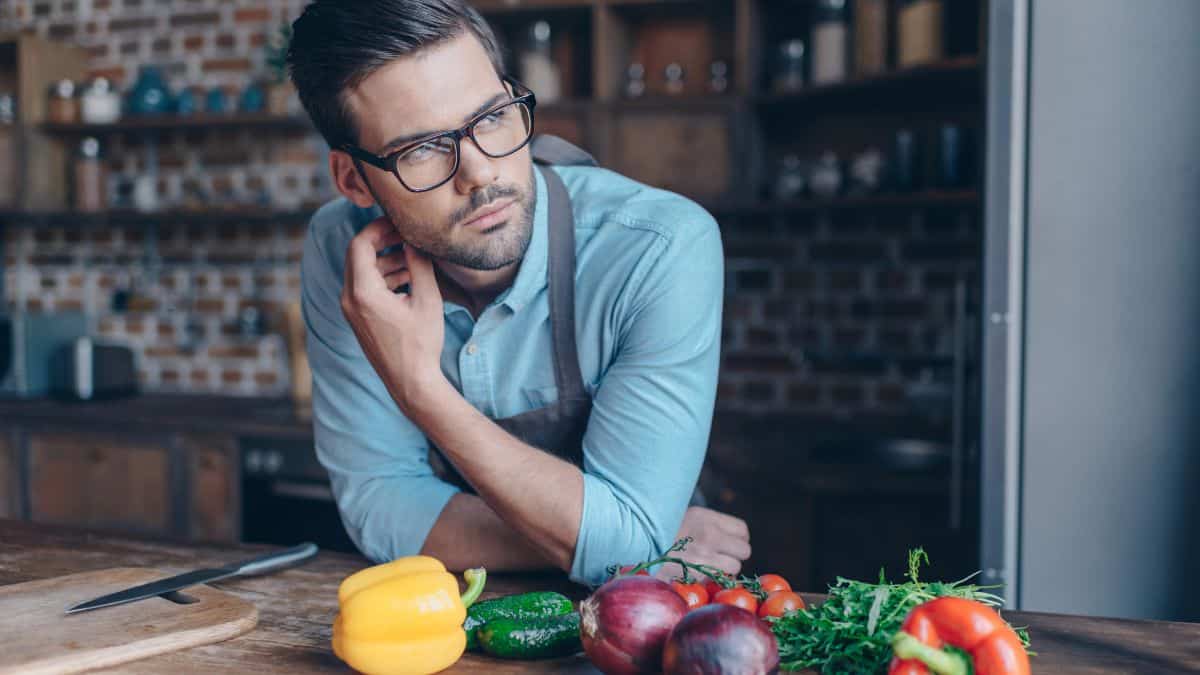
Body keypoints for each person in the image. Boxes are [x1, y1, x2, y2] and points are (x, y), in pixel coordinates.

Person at [288, 0, 750, 586]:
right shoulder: (343, 252)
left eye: (491, 118)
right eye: (422, 149)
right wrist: (630, 536)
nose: (480, 172)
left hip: (657, 608)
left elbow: (629, 547)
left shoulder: (658, 246)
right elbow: (378, 508)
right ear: (354, 180)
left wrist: (419, 388)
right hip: (460, 613)